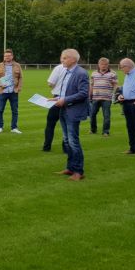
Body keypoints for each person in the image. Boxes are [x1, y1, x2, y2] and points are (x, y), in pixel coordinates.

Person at [51, 49, 89, 181]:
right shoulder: (66, 72)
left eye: (65, 58)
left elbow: (84, 93)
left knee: (73, 141)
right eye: (62, 58)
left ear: (73, 59)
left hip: (73, 111)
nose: (62, 60)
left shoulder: (81, 73)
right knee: (67, 140)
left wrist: (65, 100)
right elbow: (67, 92)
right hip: (64, 110)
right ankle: (70, 168)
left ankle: (79, 171)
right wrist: (58, 99)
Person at [0, 49, 23, 134]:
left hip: (13, 92)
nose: (7, 57)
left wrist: (18, 88)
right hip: (2, 91)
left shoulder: (17, 65)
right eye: (5, 56)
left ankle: (14, 127)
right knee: (0, 110)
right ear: (4, 57)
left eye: (9, 56)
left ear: (12, 56)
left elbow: (21, 77)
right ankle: (0, 127)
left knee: (15, 110)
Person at [42, 63, 68, 153]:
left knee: (50, 124)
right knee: (67, 126)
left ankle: (46, 147)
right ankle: (66, 148)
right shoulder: (78, 70)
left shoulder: (58, 68)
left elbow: (50, 83)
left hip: (57, 98)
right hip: (70, 99)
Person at [89, 57, 117, 136]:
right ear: (99, 65)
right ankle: (93, 129)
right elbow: (91, 85)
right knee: (92, 114)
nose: (103, 66)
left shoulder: (113, 73)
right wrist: (89, 95)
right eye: (102, 64)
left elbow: (115, 85)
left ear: (108, 65)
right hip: (95, 98)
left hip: (107, 98)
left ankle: (105, 131)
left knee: (106, 116)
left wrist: (117, 94)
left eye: (105, 64)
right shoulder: (94, 73)